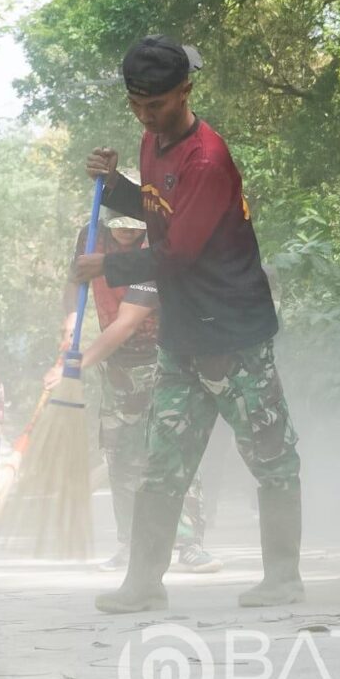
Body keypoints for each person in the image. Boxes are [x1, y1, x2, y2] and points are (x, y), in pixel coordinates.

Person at [77, 35, 303, 613]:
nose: (145, 116)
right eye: (135, 105)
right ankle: (144, 584)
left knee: (272, 459)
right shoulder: (153, 142)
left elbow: (177, 250)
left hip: (235, 335)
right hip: (183, 337)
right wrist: (118, 185)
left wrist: (109, 265)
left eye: (155, 104)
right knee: (162, 465)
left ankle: (283, 577)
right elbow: (158, 209)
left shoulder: (208, 157)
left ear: (185, 91)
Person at [45, 211, 221, 574]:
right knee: (121, 453)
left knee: (174, 448)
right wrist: (70, 327)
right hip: (118, 367)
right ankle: (130, 543)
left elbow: (126, 324)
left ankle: (189, 544)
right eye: (120, 225)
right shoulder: (90, 236)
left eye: (134, 226)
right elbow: (74, 283)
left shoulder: (160, 247)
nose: (127, 232)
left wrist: (75, 365)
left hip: (168, 358)